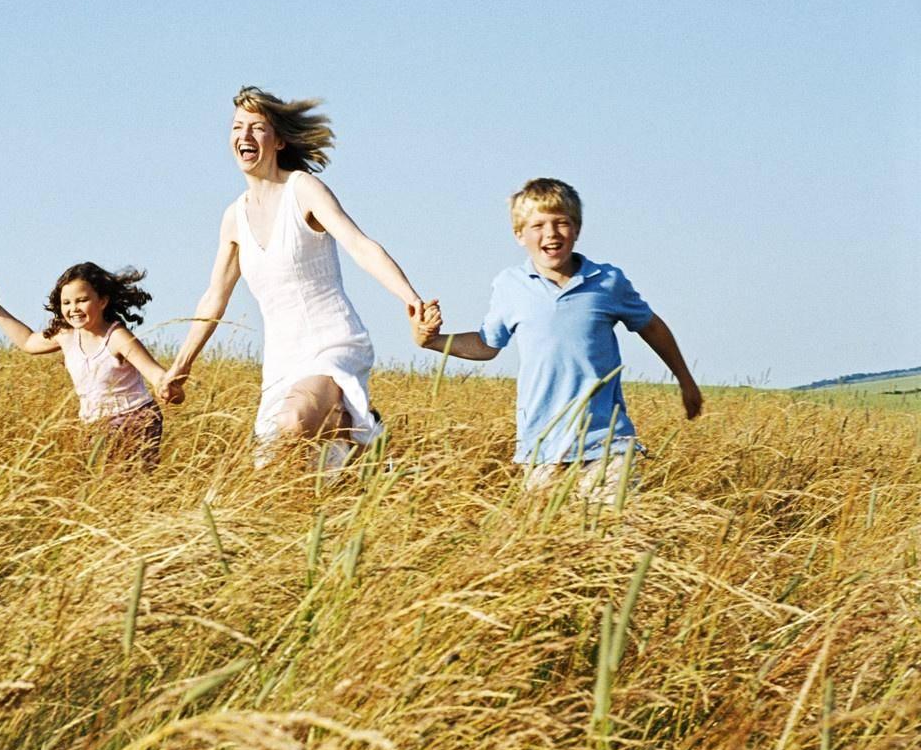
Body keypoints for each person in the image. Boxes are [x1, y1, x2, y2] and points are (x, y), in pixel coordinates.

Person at [160, 87, 427, 469]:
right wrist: (181, 365)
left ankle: (355, 427)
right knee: (281, 472)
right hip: (282, 360)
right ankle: (359, 444)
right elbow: (214, 296)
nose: (244, 136)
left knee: (292, 423)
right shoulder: (234, 217)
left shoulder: (303, 189)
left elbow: (359, 244)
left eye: (257, 127)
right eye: (237, 127)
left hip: (331, 341)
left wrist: (410, 298)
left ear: (279, 140)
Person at [409, 177, 702, 503]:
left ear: (576, 229)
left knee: (611, 535)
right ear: (519, 234)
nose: (550, 233)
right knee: (544, 544)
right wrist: (433, 341)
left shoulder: (607, 282)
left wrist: (685, 381)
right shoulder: (511, 286)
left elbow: (652, 327)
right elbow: (486, 345)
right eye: (537, 225)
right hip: (542, 447)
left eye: (561, 223)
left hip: (606, 443)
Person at [0, 263, 174, 467]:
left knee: (120, 484)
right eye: (66, 302)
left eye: (82, 300)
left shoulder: (117, 337)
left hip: (136, 419)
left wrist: (165, 385)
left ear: (102, 301)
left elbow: (153, 371)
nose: (73, 309)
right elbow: (28, 342)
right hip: (93, 425)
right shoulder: (65, 335)